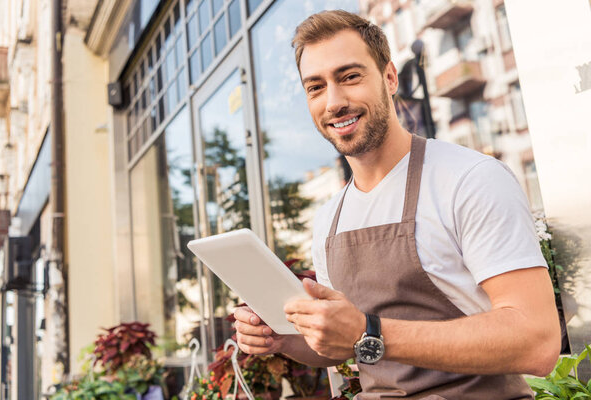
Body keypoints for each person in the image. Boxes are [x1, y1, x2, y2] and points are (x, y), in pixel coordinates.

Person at [234, 9, 560, 399]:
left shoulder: (469, 179)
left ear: (390, 78)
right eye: (315, 87)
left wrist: (369, 332)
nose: (334, 101)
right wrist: (283, 339)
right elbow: (342, 345)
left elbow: (536, 341)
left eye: (349, 77)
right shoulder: (329, 220)